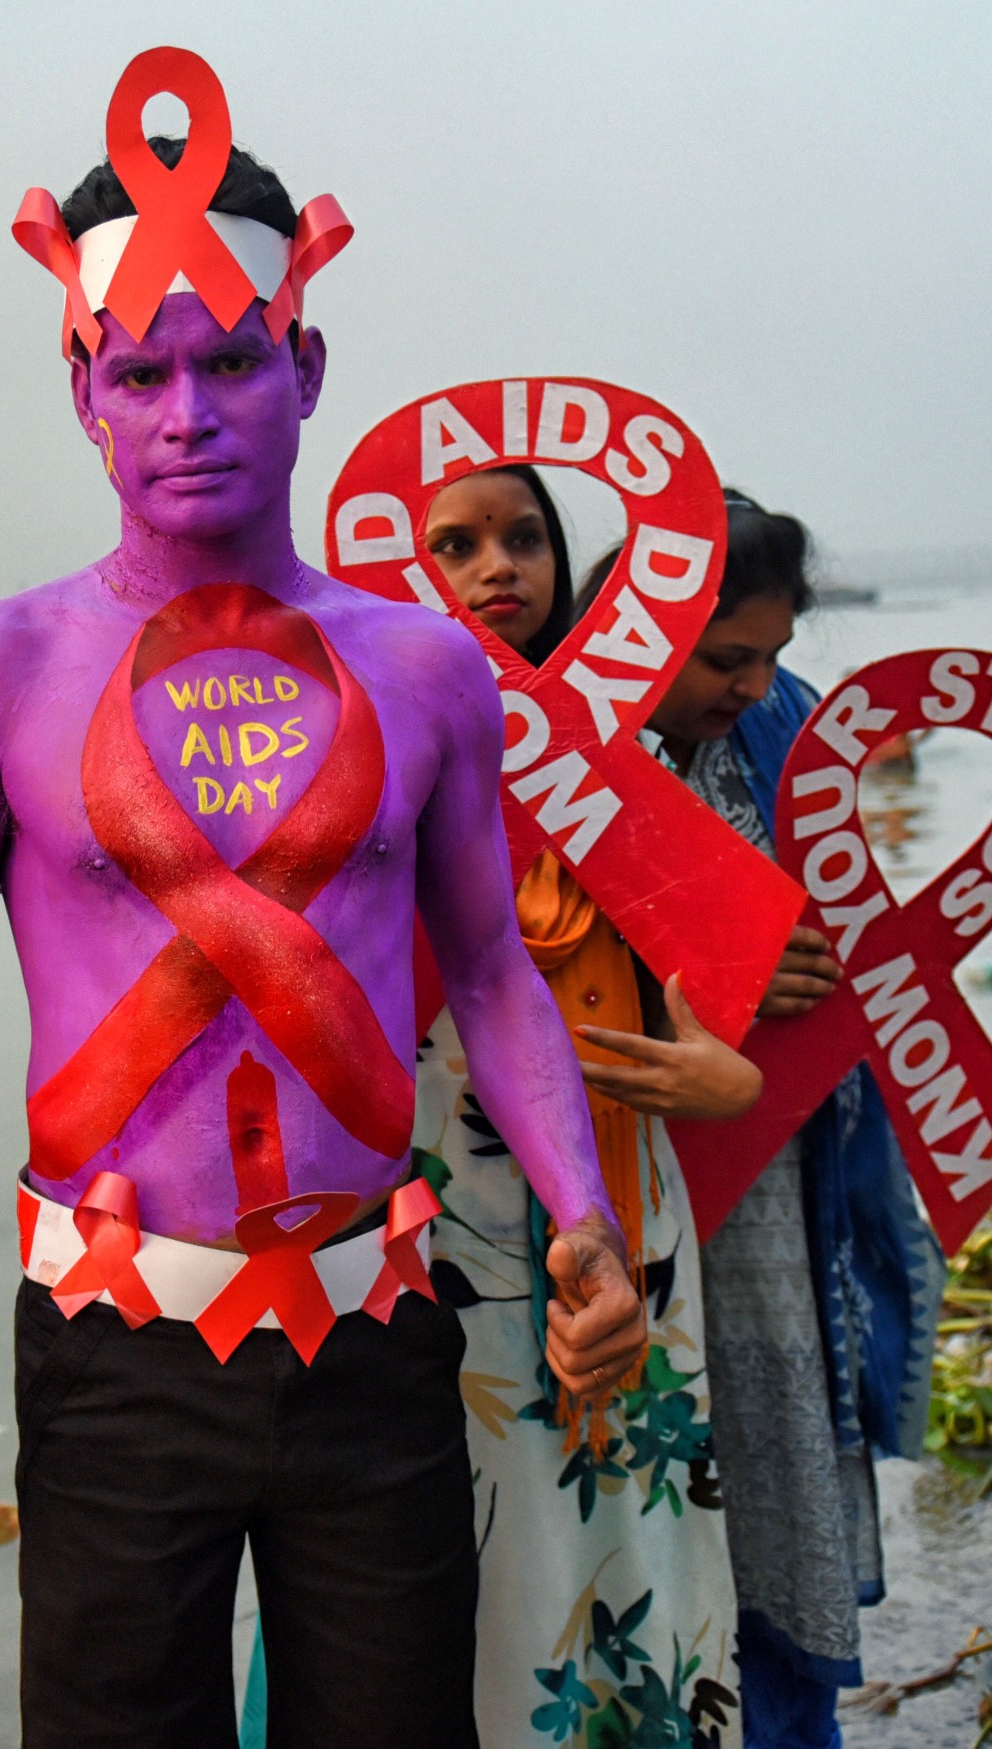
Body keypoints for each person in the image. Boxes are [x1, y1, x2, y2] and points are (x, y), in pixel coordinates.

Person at [0, 49, 648, 1748]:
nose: (186, 409)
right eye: (140, 370)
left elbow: (494, 969)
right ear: (83, 390)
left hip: (378, 1323)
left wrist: (583, 1216)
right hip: (113, 1334)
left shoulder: (422, 667)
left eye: (228, 360)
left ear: (306, 365)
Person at [589, 490, 945, 1749]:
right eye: (727, 659)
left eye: (774, 658)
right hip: (623, 1200)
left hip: (781, 1207)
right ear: (642, 638)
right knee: (626, 1538)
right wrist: (726, 984)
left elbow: (863, 923)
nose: (754, 684)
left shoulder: (790, 733)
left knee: (782, 1513)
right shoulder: (554, 761)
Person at [414, 464, 757, 1745]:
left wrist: (727, 1074)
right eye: (454, 544)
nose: (496, 568)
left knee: (642, 1499)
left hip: (631, 1192)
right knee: (467, 1512)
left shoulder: (622, 767)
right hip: (440, 1189)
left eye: (524, 540)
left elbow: (707, 984)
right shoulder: (367, 760)